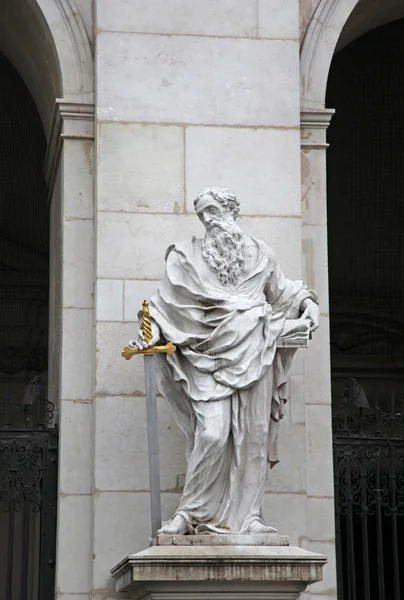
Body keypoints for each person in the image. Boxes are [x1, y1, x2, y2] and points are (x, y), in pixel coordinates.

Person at [130, 187, 319, 535]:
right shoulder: (186, 256)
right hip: (205, 356)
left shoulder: (262, 254)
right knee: (214, 434)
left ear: (232, 209)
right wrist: (152, 330)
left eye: (213, 210)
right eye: (202, 214)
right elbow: (164, 302)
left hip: (256, 350)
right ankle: (190, 513)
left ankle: (250, 517)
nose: (208, 220)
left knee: (254, 434)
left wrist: (310, 304)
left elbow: (283, 293)